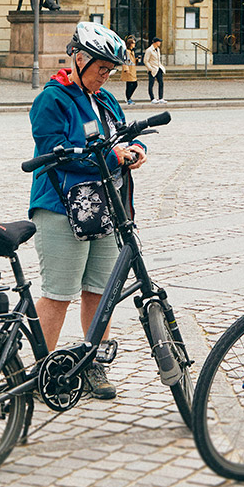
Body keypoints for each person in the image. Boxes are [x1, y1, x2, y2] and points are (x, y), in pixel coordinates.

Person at [26, 21, 147, 399]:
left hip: (106, 208)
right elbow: (55, 152)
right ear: (78, 59)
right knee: (59, 294)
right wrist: (112, 155)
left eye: (109, 71)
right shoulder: (53, 99)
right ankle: (40, 371)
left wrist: (136, 148)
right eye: (100, 69)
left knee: (100, 291)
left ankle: (93, 363)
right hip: (61, 208)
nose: (104, 77)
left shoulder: (106, 99)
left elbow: (123, 134)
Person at [143, 36, 165, 103]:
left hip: (158, 68)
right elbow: (146, 60)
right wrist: (150, 68)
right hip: (153, 69)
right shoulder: (149, 50)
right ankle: (152, 98)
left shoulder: (158, 49)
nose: (160, 43)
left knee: (161, 83)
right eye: (159, 42)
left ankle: (161, 98)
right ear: (156, 42)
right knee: (151, 84)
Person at [122, 35, 139, 106]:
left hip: (132, 70)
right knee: (130, 85)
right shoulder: (126, 52)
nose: (134, 45)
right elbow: (124, 60)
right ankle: (128, 98)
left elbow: (132, 61)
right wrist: (126, 69)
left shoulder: (132, 52)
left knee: (133, 84)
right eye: (133, 43)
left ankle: (128, 98)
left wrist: (136, 60)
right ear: (130, 44)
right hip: (128, 71)